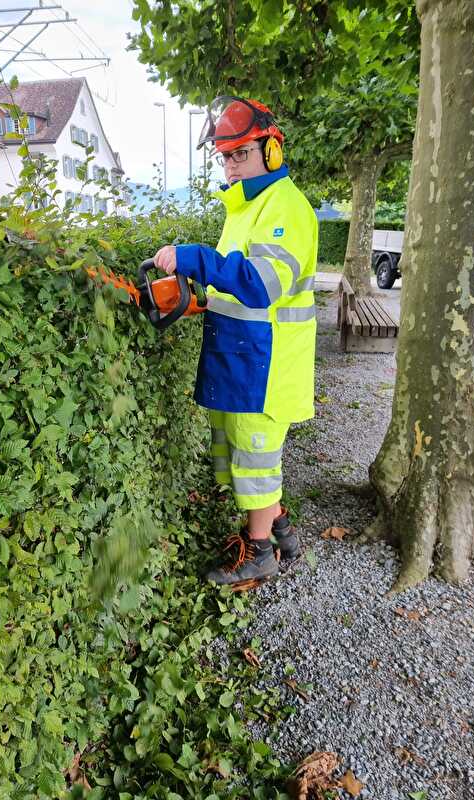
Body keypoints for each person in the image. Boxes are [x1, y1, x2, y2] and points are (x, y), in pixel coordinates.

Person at [154, 96, 317, 587]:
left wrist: (197, 259)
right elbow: (234, 282)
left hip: (268, 366)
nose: (229, 166)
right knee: (244, 457)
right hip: (243, 357)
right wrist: (200, 297)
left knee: (255, 459)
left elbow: (261, 284)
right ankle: (280, 527)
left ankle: (262, 552)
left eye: (239, 153)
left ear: (270, 150)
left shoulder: (284, 205)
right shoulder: (245, 208)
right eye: (224, 156)